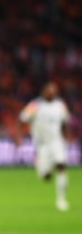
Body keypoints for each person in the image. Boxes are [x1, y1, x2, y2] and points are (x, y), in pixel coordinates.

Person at [19, 81, 72, 211]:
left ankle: (61, 200)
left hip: (58, 141)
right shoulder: (35, 105)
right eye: (49, 90)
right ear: (44, 92)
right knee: (46, 176)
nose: (52, 92)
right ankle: (42, 170)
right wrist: (18, 137)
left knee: (61, 165)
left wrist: (67, 137)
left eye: (54, 90)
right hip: (42, 145)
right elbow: (22, 119)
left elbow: (64, 122)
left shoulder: (61, 105)